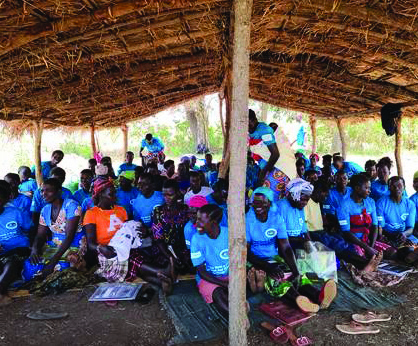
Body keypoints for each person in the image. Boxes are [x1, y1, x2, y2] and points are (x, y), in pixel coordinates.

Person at [246, 187, 336, 312]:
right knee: (275, 279)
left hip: (273, 258)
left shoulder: (276, 219)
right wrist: (267, 266)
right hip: (255, 260)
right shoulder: (247, 221)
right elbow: (246, 253)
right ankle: (299, 300)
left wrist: (295, 270)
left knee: (295, 274)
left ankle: (318, 296)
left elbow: (286, 247)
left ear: (270, 204)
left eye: (262, 202)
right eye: (255, 202)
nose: (257, 206)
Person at [29, 178, 85, 279]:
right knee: (31, 265)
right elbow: (40, 235)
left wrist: (52, 263)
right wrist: (34, 248)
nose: (44, 194)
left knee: (61, 267)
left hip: (74, 243)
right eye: (42, 191)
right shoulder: (45, 210)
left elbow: (69, 237)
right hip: (55, 244)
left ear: (59, 192)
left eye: (48, 190)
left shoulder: (71, 206)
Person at [336, 174, 390, 259]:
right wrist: (367, 248)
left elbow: (375, 225)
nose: (369, 191)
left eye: (369, 188)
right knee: (362, 258)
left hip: (369, 241)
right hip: (353, 243)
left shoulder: (370, 202)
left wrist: (371, 246)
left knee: (392, 252)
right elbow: (346, 232)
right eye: (366, 188)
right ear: (357, 188)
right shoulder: (344, 205)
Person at [190, 204, 230, 314]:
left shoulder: (229, 234)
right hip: (208, 279)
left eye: (200, 221)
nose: (196, 223)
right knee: (218, 294)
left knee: (234, 294)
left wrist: (230, 282)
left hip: (229, 276)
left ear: (213, 223)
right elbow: (202, 272)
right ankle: (237, 317)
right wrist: (224, 284)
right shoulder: (196, 239)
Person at [248, 109, 294, 199]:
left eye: (248, 123)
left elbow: (275, 154)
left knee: (263, 198)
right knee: (260, 195)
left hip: (281, 169)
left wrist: (263, 173)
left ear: (253, 120)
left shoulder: (264, 130)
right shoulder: (253, 133)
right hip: (271, 168)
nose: (247, 128)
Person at [0, 181, 30, 306]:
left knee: (11, 264)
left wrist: (33, 248)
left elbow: (30, 230)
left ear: (5, 200)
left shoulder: (15, 212)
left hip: (19, 250)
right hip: (2, 253)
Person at [152, 180, 191, 274]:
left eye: (170, 194)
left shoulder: (185, 210)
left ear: (178, 193)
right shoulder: (158, 212)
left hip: (181, 248)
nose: (166, 198)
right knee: (168, 265)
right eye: (164, 195)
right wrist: (170, 257)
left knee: (187, 267)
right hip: (164, 250)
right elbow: (158, 239)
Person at [376, 176, 418, 263]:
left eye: (399, 185)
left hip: (404, 236)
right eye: (393, 186)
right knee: (402, 253)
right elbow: (380, 227)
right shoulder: (381, 203)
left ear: (404, 187)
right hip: (387, 236)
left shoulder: (410, 204)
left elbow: (410, 228)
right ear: (389, 188)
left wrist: (404, 234)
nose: (396, 188)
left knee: (411, 248)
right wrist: (384, 237)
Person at [30, 167, 73, 233]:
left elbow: (71, 214)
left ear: (63, 180)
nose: (55, 182)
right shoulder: (39, 192)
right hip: (43, 223)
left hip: (63, 226)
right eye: (54, 179)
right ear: (49, 177)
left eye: (59, 180)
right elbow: (35, 212)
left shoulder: (67, 193)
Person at [277, 179, 313, 250]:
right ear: (292, 195)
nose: (305, 203)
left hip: (297, 244)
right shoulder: (281, 206)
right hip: (284, 247)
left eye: (307, 200)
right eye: (302, 199)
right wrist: (302, 240)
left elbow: (304, 231)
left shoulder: (299, 208)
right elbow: (280, 237)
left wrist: (311, 245)